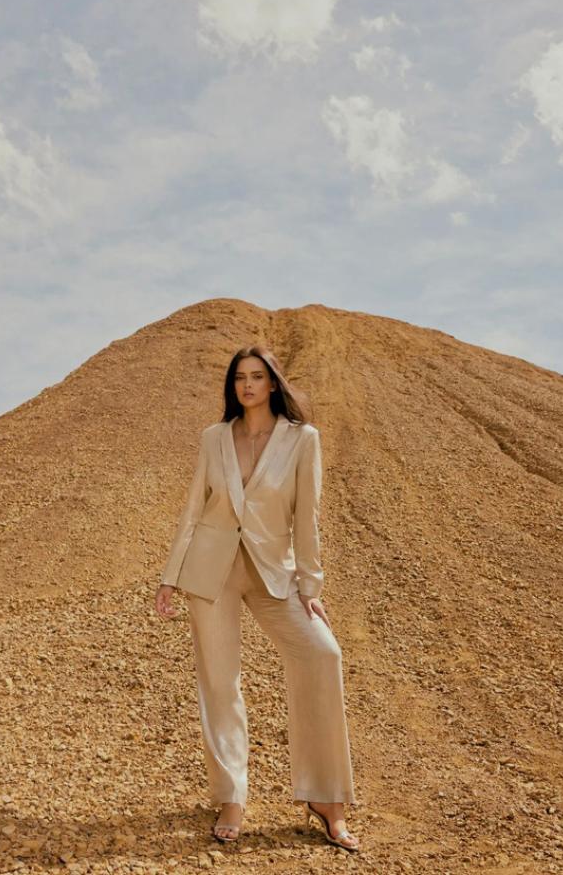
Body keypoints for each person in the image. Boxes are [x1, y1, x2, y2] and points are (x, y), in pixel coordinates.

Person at [154, 345, 359, 851]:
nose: (247, 385)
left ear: (272, 384)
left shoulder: (302, 439)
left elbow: (307, 517)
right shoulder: (214, 437)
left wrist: (310, 587)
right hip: (212, 570)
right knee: (220, 684)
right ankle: (232, 797)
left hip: (275, 572)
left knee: (323, 654)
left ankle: (326, 797)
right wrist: (170, 576)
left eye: (256, 377)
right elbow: (194, 508)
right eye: (239, 377)